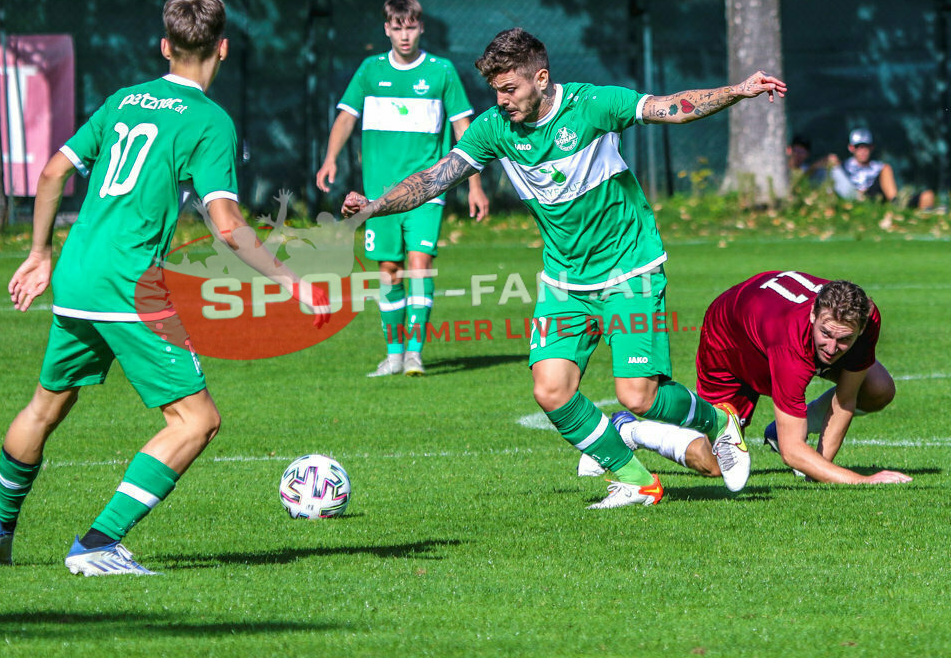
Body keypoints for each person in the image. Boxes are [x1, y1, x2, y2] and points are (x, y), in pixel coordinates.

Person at [342, 27, 787, 508]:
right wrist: (375, 205)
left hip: (629, 267)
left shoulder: (592, 105)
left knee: (638, 397)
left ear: (541, 77)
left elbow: (671, 106)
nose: (502, 100)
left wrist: (737, 91)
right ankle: (637, 481)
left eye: (510, 88)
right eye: (495, 90)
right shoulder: (495, 129)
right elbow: (437, 177)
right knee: (551, 389)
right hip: (565, 280)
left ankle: (719, 422)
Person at [0, 0, 326, 576]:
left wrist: (40, 253)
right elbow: (228, 226)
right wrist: (293, 282)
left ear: (165, 47)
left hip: (79, 273)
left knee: (48, 403)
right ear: (224, 48)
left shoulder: (122, 100)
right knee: (196, 420)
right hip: (129, 282)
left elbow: (54, 170)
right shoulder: (210, 120)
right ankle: (97, 544)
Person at [589, 271, 912, 486]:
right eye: (826, 334)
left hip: (762, 322)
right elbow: (792, 453)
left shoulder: (865, 319)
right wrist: (862, 480)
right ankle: (631, 429)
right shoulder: (791, 344)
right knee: (716, 463)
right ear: (813, 315)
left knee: (878, 388)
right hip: (729, 343)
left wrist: (820, 471)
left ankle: (783, 428)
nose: (832, 347)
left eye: (844, 340)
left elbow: (847, 398)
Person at [316, 0, 489, 378]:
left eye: (411, 26)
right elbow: (346, 118)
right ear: (387, 29)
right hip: (379, 197)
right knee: (389, 269)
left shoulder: (442, 72)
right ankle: (393, 355)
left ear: (421, 27)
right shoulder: (369, 70)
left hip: (429, 191)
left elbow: (465, 131)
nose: (405, 34)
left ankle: (414, 354)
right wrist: (330, 158)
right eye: (397, 27)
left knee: (419, 265)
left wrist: (475, 187)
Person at [834, 127, 935, 210]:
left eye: (866, 147)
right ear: (851, 148)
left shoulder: (878, 167)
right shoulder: (843, 167)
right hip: (854, 200)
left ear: (871, 148)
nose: (863, 151)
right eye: (858, 147)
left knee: (928, 196)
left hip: (877, 199)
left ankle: (900, 206)